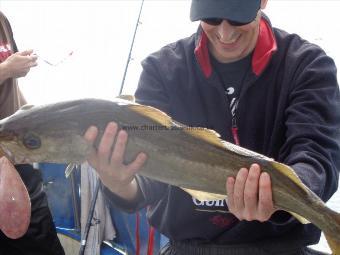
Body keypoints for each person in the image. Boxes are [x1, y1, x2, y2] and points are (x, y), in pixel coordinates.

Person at [84, 0, 340, 254]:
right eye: (212, 18)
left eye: (238, 17)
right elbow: (152, 176)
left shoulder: (306, 65)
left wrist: (278, 196)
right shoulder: (161, 70)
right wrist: (119, 184)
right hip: (189, 247)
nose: (225, 33)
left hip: (280, 246)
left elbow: (315, 154)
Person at [0, 10, 65, 255]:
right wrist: (6, 68)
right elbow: (5, 72)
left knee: (41, 239)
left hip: (16, 155)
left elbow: (10, 90)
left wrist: (32, 117)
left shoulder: (2, 19)